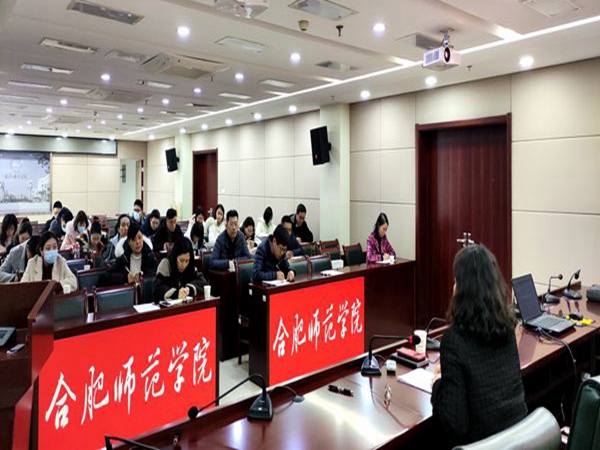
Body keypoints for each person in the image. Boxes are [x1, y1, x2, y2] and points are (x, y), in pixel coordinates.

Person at [431, 244, 527, 447]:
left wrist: (438, 384)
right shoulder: (507, 327)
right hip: (519, 439)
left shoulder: (454, 340)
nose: (453, 287)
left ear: (463, 290)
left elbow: (455, 425)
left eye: (456, 281)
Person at [153, 237, 207, 301]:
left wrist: (189, 289)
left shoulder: (190, 266)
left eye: (187, 261)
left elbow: (203, 282)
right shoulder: (166, 264)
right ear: (175, 257)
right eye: (181, 260)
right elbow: (157, 289)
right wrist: (176, 293)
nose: (184, 265)